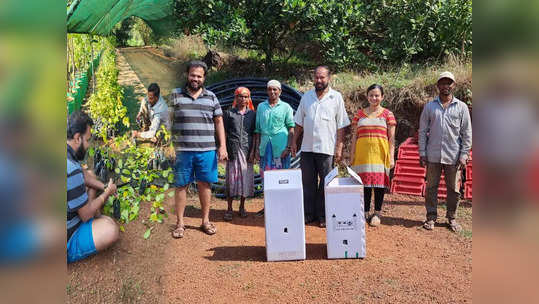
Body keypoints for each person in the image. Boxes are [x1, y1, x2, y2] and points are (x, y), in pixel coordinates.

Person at [170, 61, 228, 238]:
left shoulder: (211, 97)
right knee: (181, 186)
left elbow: (219, 122)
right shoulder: (175, 95)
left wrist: (223, 146)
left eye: (199, 76)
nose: (195, 78)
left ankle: (205, 221)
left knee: (205, 184)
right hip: (182, 151)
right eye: (192, 75)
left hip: (206, 150)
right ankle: (180, 224)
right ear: (187, 75)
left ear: (204, 78)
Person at [292, 66, 350, 227]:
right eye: (317, 77)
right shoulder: (306, 97)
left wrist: (339, 147)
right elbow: (299, 122)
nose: (319, 80)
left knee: (326, 182)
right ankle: (308, 214)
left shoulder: (336, 97)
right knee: (307, 182)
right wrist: (294, 142)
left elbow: (341, 126)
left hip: (327, 148)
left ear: (329, 78)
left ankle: (323, 215)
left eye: (322, 77)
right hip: (307, 148)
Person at [418, 71, 472, 232]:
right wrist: (422, 152)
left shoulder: (461, 107)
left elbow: (467, 132)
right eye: (442, 83)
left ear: (453, 85)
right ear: (438, 86)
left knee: (454, 190)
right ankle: (431, 217)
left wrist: (464, 154)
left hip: (454, 156)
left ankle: (452, 218)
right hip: (433, 155)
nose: (445, 86)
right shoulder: (429, 107)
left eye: (449, 83)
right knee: (431, 187)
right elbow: (422, 131)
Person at [67, 111, 119, 263]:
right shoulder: (71, 170)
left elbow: (83, 174)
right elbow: (85, 215)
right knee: (110, 229)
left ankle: (91, 206)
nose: (89, 145)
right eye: (88, 140)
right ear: (77, 138)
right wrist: (107, 193)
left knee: (90, 173)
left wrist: (102, 186)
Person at [349, 84, 396, 227]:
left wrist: (392, 157)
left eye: (377, 95)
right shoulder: (359, 115)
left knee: (379, 185)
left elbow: (391, 139)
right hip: (362, 156)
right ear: (367, 96)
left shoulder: (388, 115)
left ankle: (377, 213)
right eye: (371, 95)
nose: (374, 98)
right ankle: (365, 212)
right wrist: (352, 155)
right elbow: (354, 137)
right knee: (365, 185)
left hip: (380, 155)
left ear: (382, 97)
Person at [253, 80, 295, 217]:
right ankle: (268, 207)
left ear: (280, 91)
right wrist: (257, 149)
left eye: (275, 90)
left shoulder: (286, 107)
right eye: (270, 89)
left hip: (280, 148)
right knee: (266, 178)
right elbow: (258, 129)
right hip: (265, 147)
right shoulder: (261, 107)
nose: (272, 92)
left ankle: (282, 207)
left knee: (282, 177)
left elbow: (291, 128)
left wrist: (288, 147)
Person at [222, 87, 256, 221]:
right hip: (233, 150)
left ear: (249, 99)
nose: (243, 99)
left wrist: (253, 151)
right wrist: (223, 148)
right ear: (236, 98)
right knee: (231, 179)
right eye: (240, 96)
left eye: (246, 96)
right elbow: (224, 132)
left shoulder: (252, 115)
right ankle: (229, 208)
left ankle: (242, 207)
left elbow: (255, 133)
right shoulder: (229, 114)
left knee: (245, 178)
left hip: (246, 150)